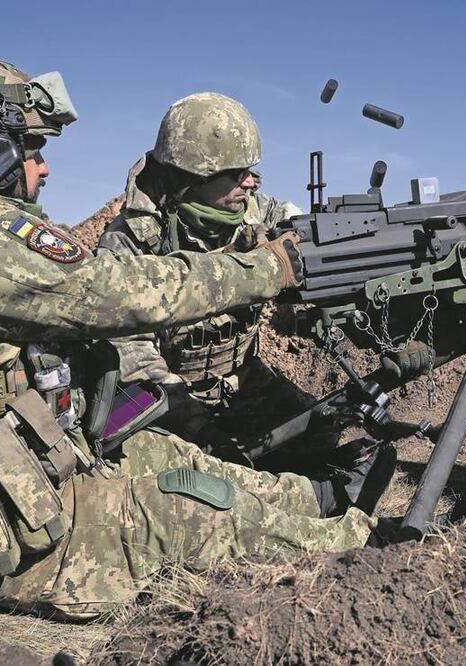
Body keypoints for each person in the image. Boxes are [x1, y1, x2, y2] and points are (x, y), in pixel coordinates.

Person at [0, 56, 395, 651]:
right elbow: (127, 292)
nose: (45, 167)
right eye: (30, 149)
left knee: (173, 459)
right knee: (188, 515)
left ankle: (315, 501)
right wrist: (277, 265)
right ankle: (376, 554)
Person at [98, 94, 329, 464]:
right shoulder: (129, 241)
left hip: (242, 380)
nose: (251, 182)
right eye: (237, 173)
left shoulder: (255, 211)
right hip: (167, 396)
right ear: (194, 175)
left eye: (252, 171)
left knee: (324, 434)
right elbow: (133, 355)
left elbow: (304, 232)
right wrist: (199, 429)